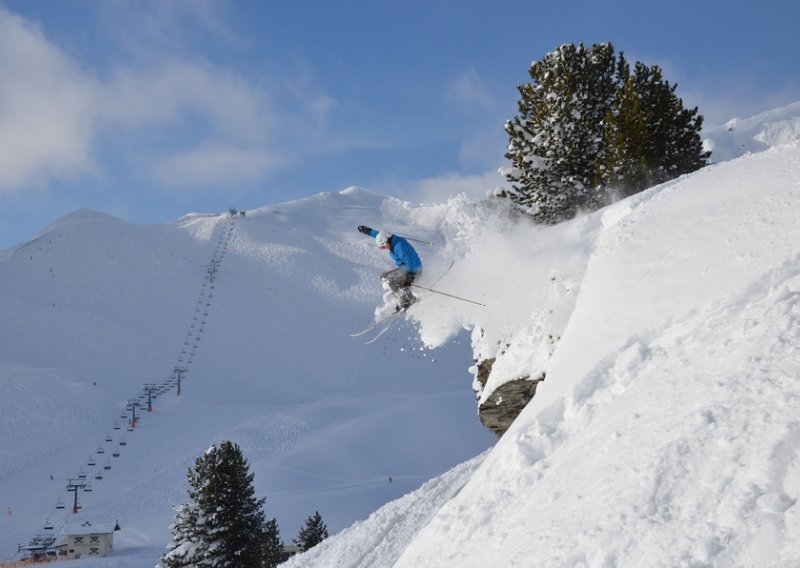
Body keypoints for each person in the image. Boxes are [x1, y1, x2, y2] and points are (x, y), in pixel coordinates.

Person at [357, 225, 422, 310]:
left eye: (383, 246)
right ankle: (401, 299)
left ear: (386, 240)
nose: (384, 248)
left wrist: (411, 275)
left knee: (390, 280)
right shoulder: (390, 239)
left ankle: (408, 298)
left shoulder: (399, 247)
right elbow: (379, 235)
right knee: (384, 277)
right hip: (406, 268)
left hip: (413, 270)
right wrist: (367, 231)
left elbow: (410, 261)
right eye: (382, 247)